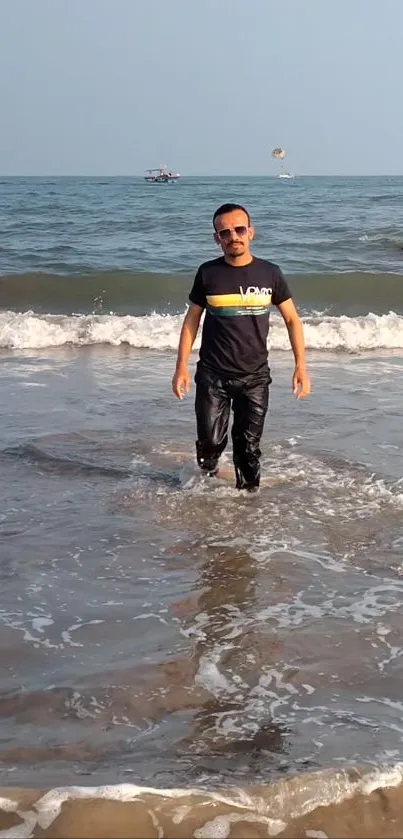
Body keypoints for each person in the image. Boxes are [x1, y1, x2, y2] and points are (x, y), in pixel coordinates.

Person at [172, 203, 311, 492]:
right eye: (225, 232)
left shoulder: (270, 273)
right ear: (217, 238)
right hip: (213, 376)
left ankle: (249, 509)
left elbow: (292, 321)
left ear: (251, 232)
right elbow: (191, 322)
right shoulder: (207, 273)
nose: (233, 236)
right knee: (210, 443)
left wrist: (301, 367)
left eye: (239, 229)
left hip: (255, 377)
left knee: (248, 450)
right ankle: (207, 476)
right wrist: (180, 368)